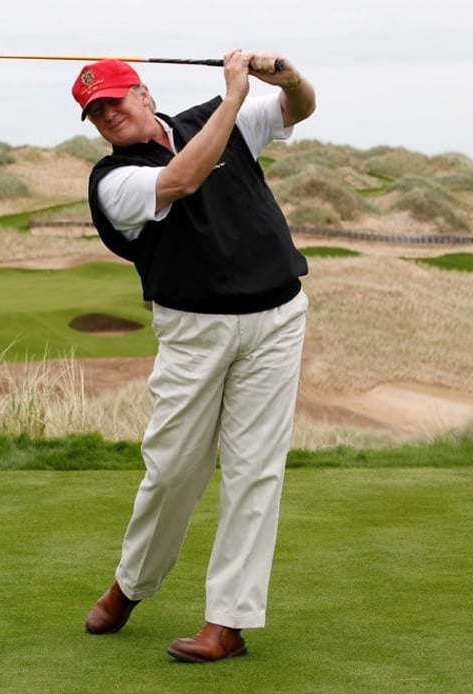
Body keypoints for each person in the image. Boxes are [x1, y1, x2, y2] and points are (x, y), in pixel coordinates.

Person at [72, 49, 316, 663]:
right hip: (194, 332)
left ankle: (227, 623)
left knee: (255, 470)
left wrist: (289, 78)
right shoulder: (112, 182)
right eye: (93, 112)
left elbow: (297, 110)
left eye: (113, 101)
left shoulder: (216, 116)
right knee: (174, 470)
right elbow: (182, 178)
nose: (106, 116)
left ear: (145, 94)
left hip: (277, 318)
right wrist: (233, 97)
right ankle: (132, 585)